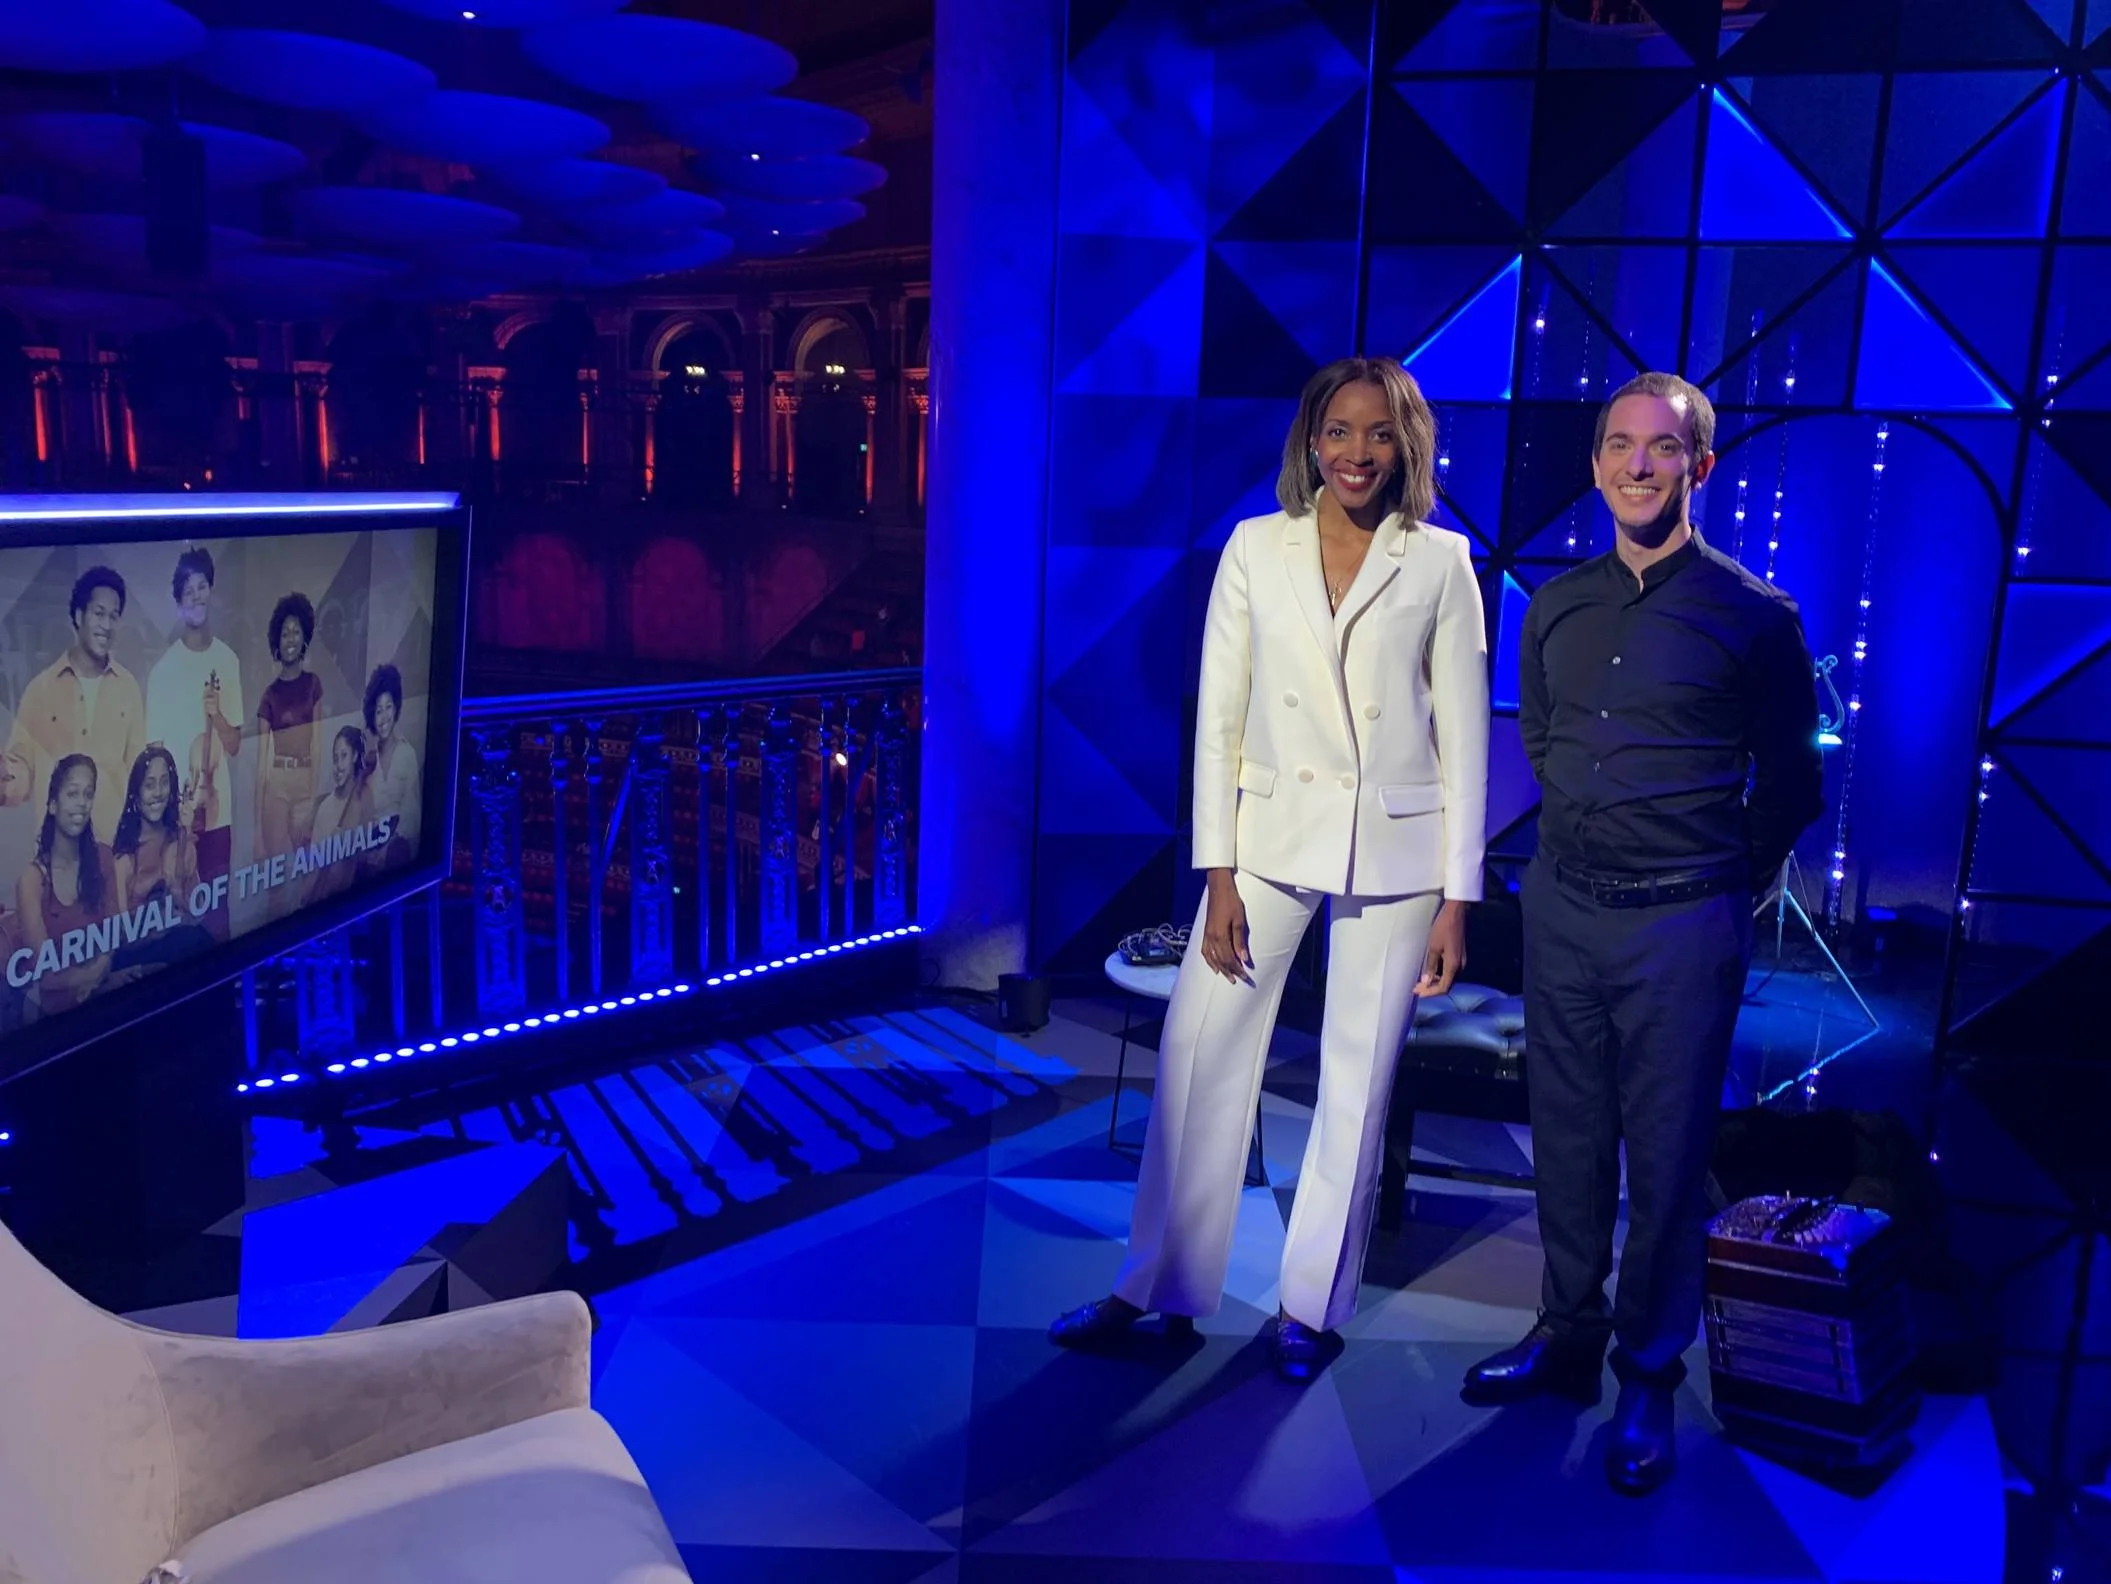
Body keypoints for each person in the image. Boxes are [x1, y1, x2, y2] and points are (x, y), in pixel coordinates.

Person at [1050, 356, 1489, 1382]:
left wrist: (1456, 898)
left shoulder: (1440, 563)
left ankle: (1307, 1308)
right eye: (1337, 430)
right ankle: (1152, 1286)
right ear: (1308, 440)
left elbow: (1465, 740)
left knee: (1355, 1084)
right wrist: (1217, 874)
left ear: (1405, 445)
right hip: (1265, 841)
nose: (1356, 452)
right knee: (1199, 1061)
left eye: (1377, 433)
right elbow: (1218, 719)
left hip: (1395, 851)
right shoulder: (1255, 548)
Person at [1463, 372, 1823, 1495]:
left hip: (1683, 919)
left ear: (1697, 468)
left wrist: (1718, 882)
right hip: (1561, 911)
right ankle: (1563, 1339)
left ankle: (1648, 1378)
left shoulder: (1757, 617)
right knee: (1563, 1141)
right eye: (1616, 445)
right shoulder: (1558, 605)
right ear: (1594, 461)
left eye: (1658, 450)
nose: (1633, 465)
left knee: (1664, 1162)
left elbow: (1790, 791)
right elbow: (1547, 747)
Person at [1, 566, 147, 843]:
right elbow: (20, 773)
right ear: (79, 616)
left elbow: (137, 774)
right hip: (54, 856)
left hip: (111, 851)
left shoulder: (128, 688)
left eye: (114, 617)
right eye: (99, 613)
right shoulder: (39, 690)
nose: (106, 625)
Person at [145, 547, 242, 943]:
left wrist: (216, 714)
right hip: (177, 823)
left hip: (217, 817)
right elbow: (154, 755)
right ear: (178, 602)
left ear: (211, 592)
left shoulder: (228, 660)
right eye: (188, 590)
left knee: (217, 921)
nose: (197, 596)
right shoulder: (162, 672)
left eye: (203, 587)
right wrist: (175, 817)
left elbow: (233, 744)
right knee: (177, 923)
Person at [14, 755, 120, 1017]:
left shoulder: (104, 858)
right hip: (55, 1018)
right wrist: (90, 978)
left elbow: (114, 936)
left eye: (88, 794)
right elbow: (46, 975)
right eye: (72, 793)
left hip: (104, 993)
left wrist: (99, 976)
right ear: (52, 805)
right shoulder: (32, 880)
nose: (82, 803)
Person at [109, 744, 211, 974]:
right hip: (138, 960)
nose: (157, 792)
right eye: (149, 784)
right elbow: (122, 940)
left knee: (200, 943)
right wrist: (163, 926)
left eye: (164, 782)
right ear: (136, 794)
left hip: (182, 947)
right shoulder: (123, 859)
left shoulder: (180, 842)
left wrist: (185, 835)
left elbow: (197, 912)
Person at [255, 593, 324, 916]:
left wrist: (312, 799)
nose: (290, 639)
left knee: (308, 875)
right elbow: (260, 765)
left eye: (296, 631)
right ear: (276, 642)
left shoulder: (313, 685)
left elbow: (319, 746)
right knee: (276, 878)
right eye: (285, 633)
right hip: (276, 786)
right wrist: (257, 828)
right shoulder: (269, 695)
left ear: (305, 636)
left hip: (304, 783)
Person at [305, 724, 378, 906]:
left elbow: (371, 855)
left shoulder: (366, 794)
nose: (338, 765)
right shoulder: (324, 808)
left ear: (355, 756)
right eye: (335, 758)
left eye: (344, 756)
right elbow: (314, 869)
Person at [362, 664, 420, 870]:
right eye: (378, 711)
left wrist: (387, 850)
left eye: (388, 707)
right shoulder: (367, 759)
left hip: (396, 851)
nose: (384, 717)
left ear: (396, 709)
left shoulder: (407, 754)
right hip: (366, 849)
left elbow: (411, 814)